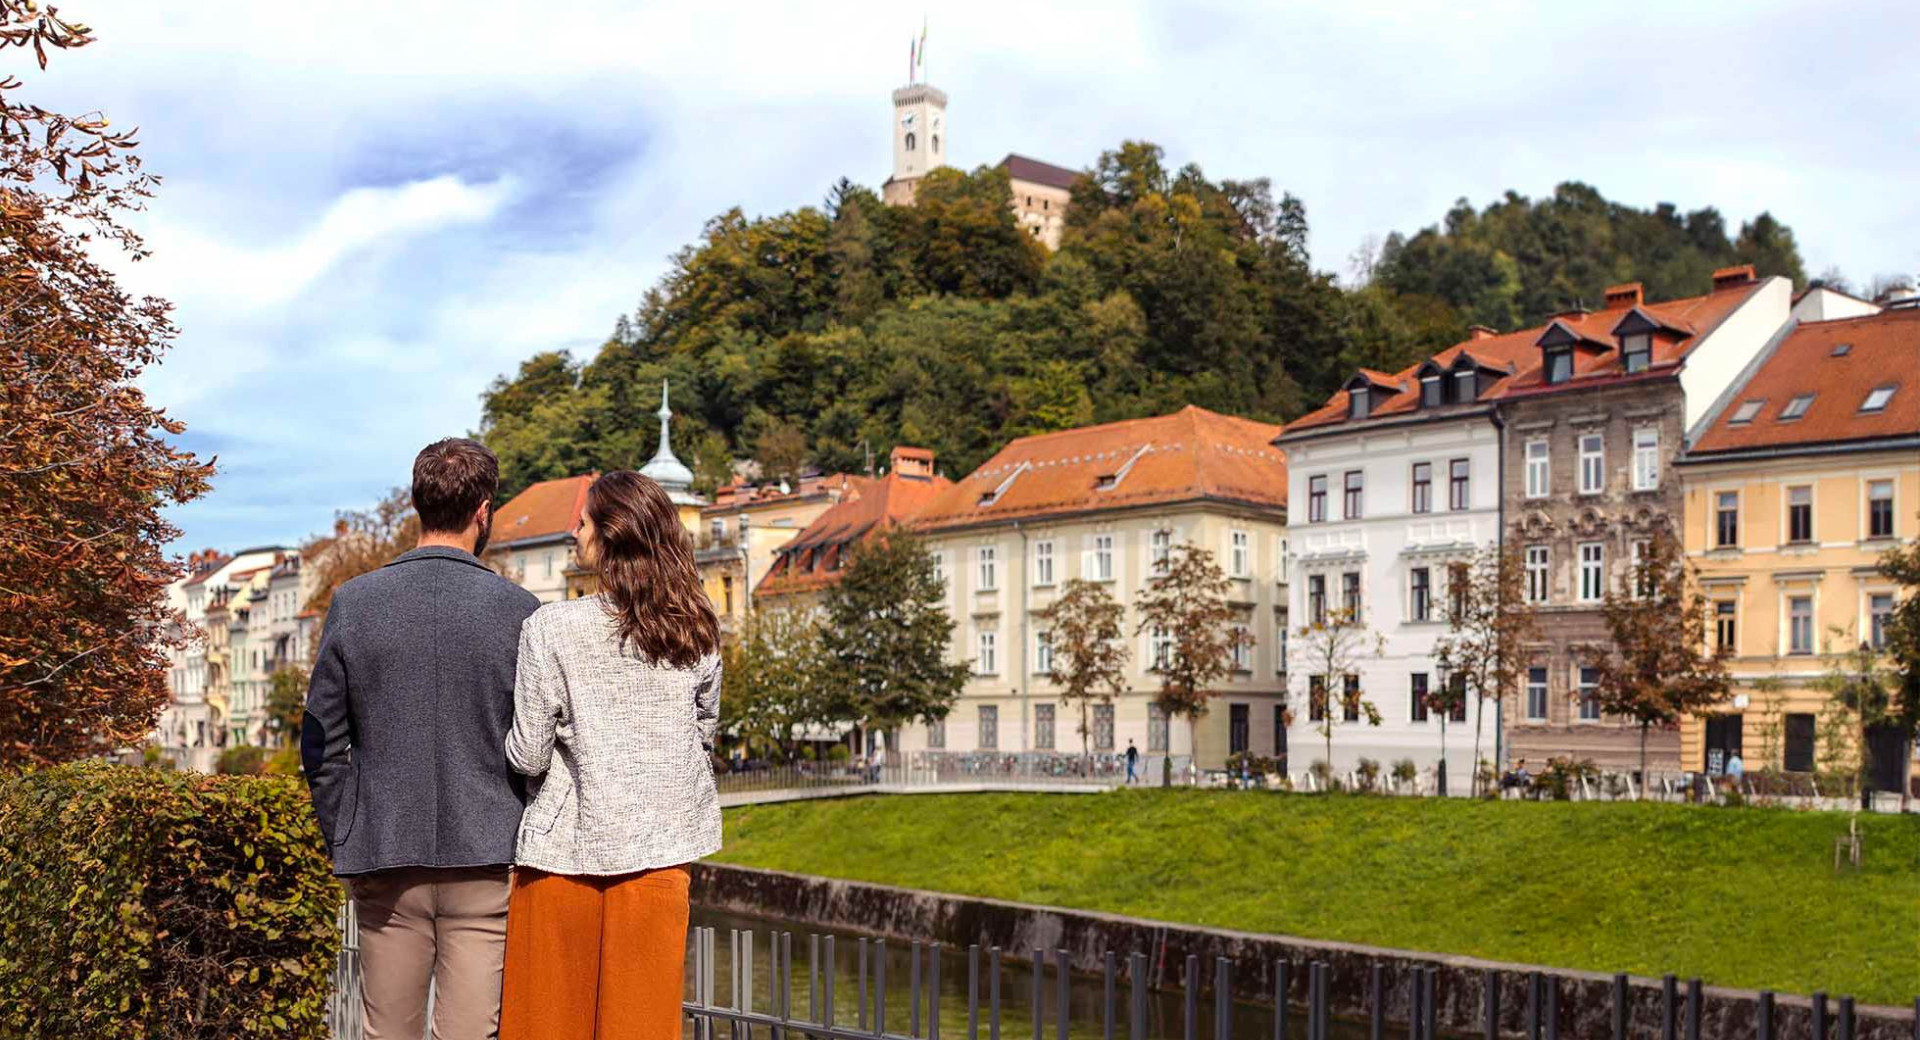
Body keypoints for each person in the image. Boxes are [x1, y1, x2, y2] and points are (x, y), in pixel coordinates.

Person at [302, 438, 540, 1040]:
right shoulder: (520, 610)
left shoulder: (354, 603)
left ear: (417, 503)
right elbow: (538, 739)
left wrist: (346, 827)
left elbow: (320, 740)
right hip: (487, 852)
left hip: (383, 851)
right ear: (483, 510)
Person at [500, 471, 723, 1040]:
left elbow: (527, 754)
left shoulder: (551, 627)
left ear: (609, 535)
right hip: (661, 851)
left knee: (546, 1024)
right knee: (643, 1026)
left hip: (564, 856)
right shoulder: (696, 629)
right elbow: (702, 733)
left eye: (582, 523)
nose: (574, 533)